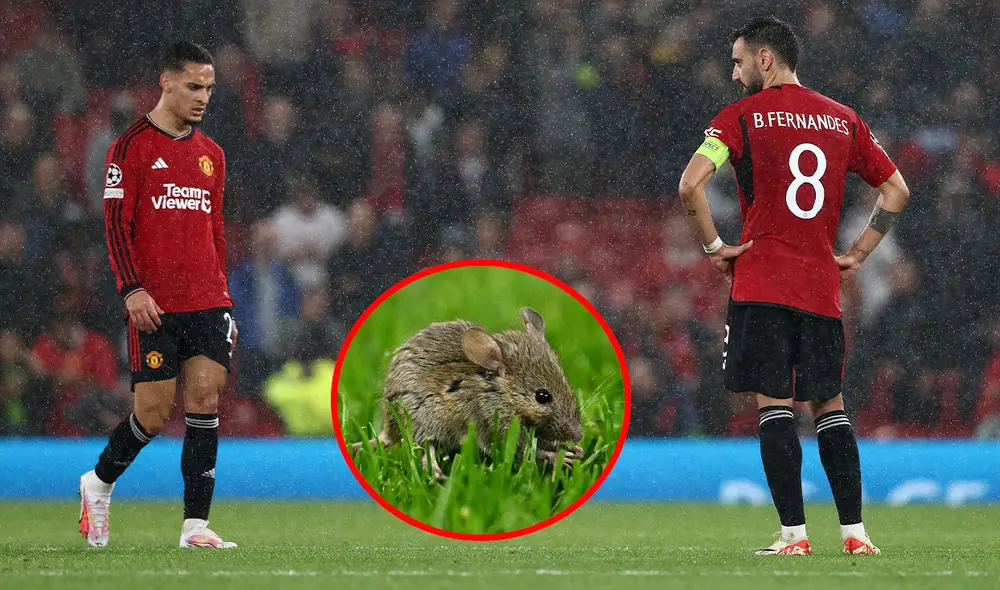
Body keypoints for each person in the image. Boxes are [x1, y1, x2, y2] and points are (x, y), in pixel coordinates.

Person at [677, 16, 910, 557]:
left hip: (761, 284)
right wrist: (857, 253)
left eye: (738, 62)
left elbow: (691, 185)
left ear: (765, 59)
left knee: (774, 405)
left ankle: (794, 537)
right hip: (820, 288)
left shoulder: (738, 119)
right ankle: (855, 534)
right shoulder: (843, 120)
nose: (734, 75)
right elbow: (895, 189)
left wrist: (714, 248)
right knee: (830, 406)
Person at [78, 41, 238, 549]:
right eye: (194, 86)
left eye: (209, 88)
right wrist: (131, 290)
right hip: (154, 303)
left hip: (209, 299)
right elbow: (115, 226)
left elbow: (214, 232)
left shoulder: (212, 155)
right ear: (165, 82)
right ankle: (98, 483)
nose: (203, 97)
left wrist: (225, 296)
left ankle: (195, 526)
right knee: (151, 412)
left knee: (206, 398)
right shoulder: (131, 147)